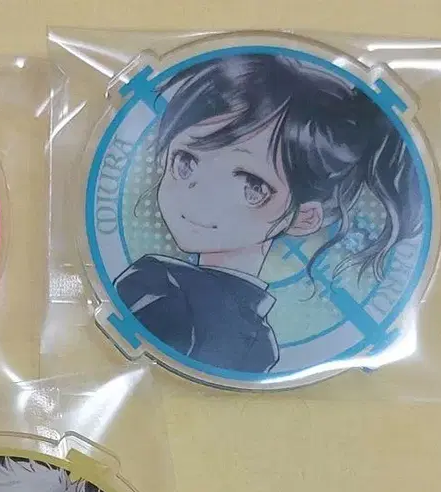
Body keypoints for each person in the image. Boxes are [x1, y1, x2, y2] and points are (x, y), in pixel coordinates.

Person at [114, 53, 423, 374]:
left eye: (252, 185)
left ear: (305, 217)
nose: (200, 193)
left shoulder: (164, 289)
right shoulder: (251, 337)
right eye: (186, 162)